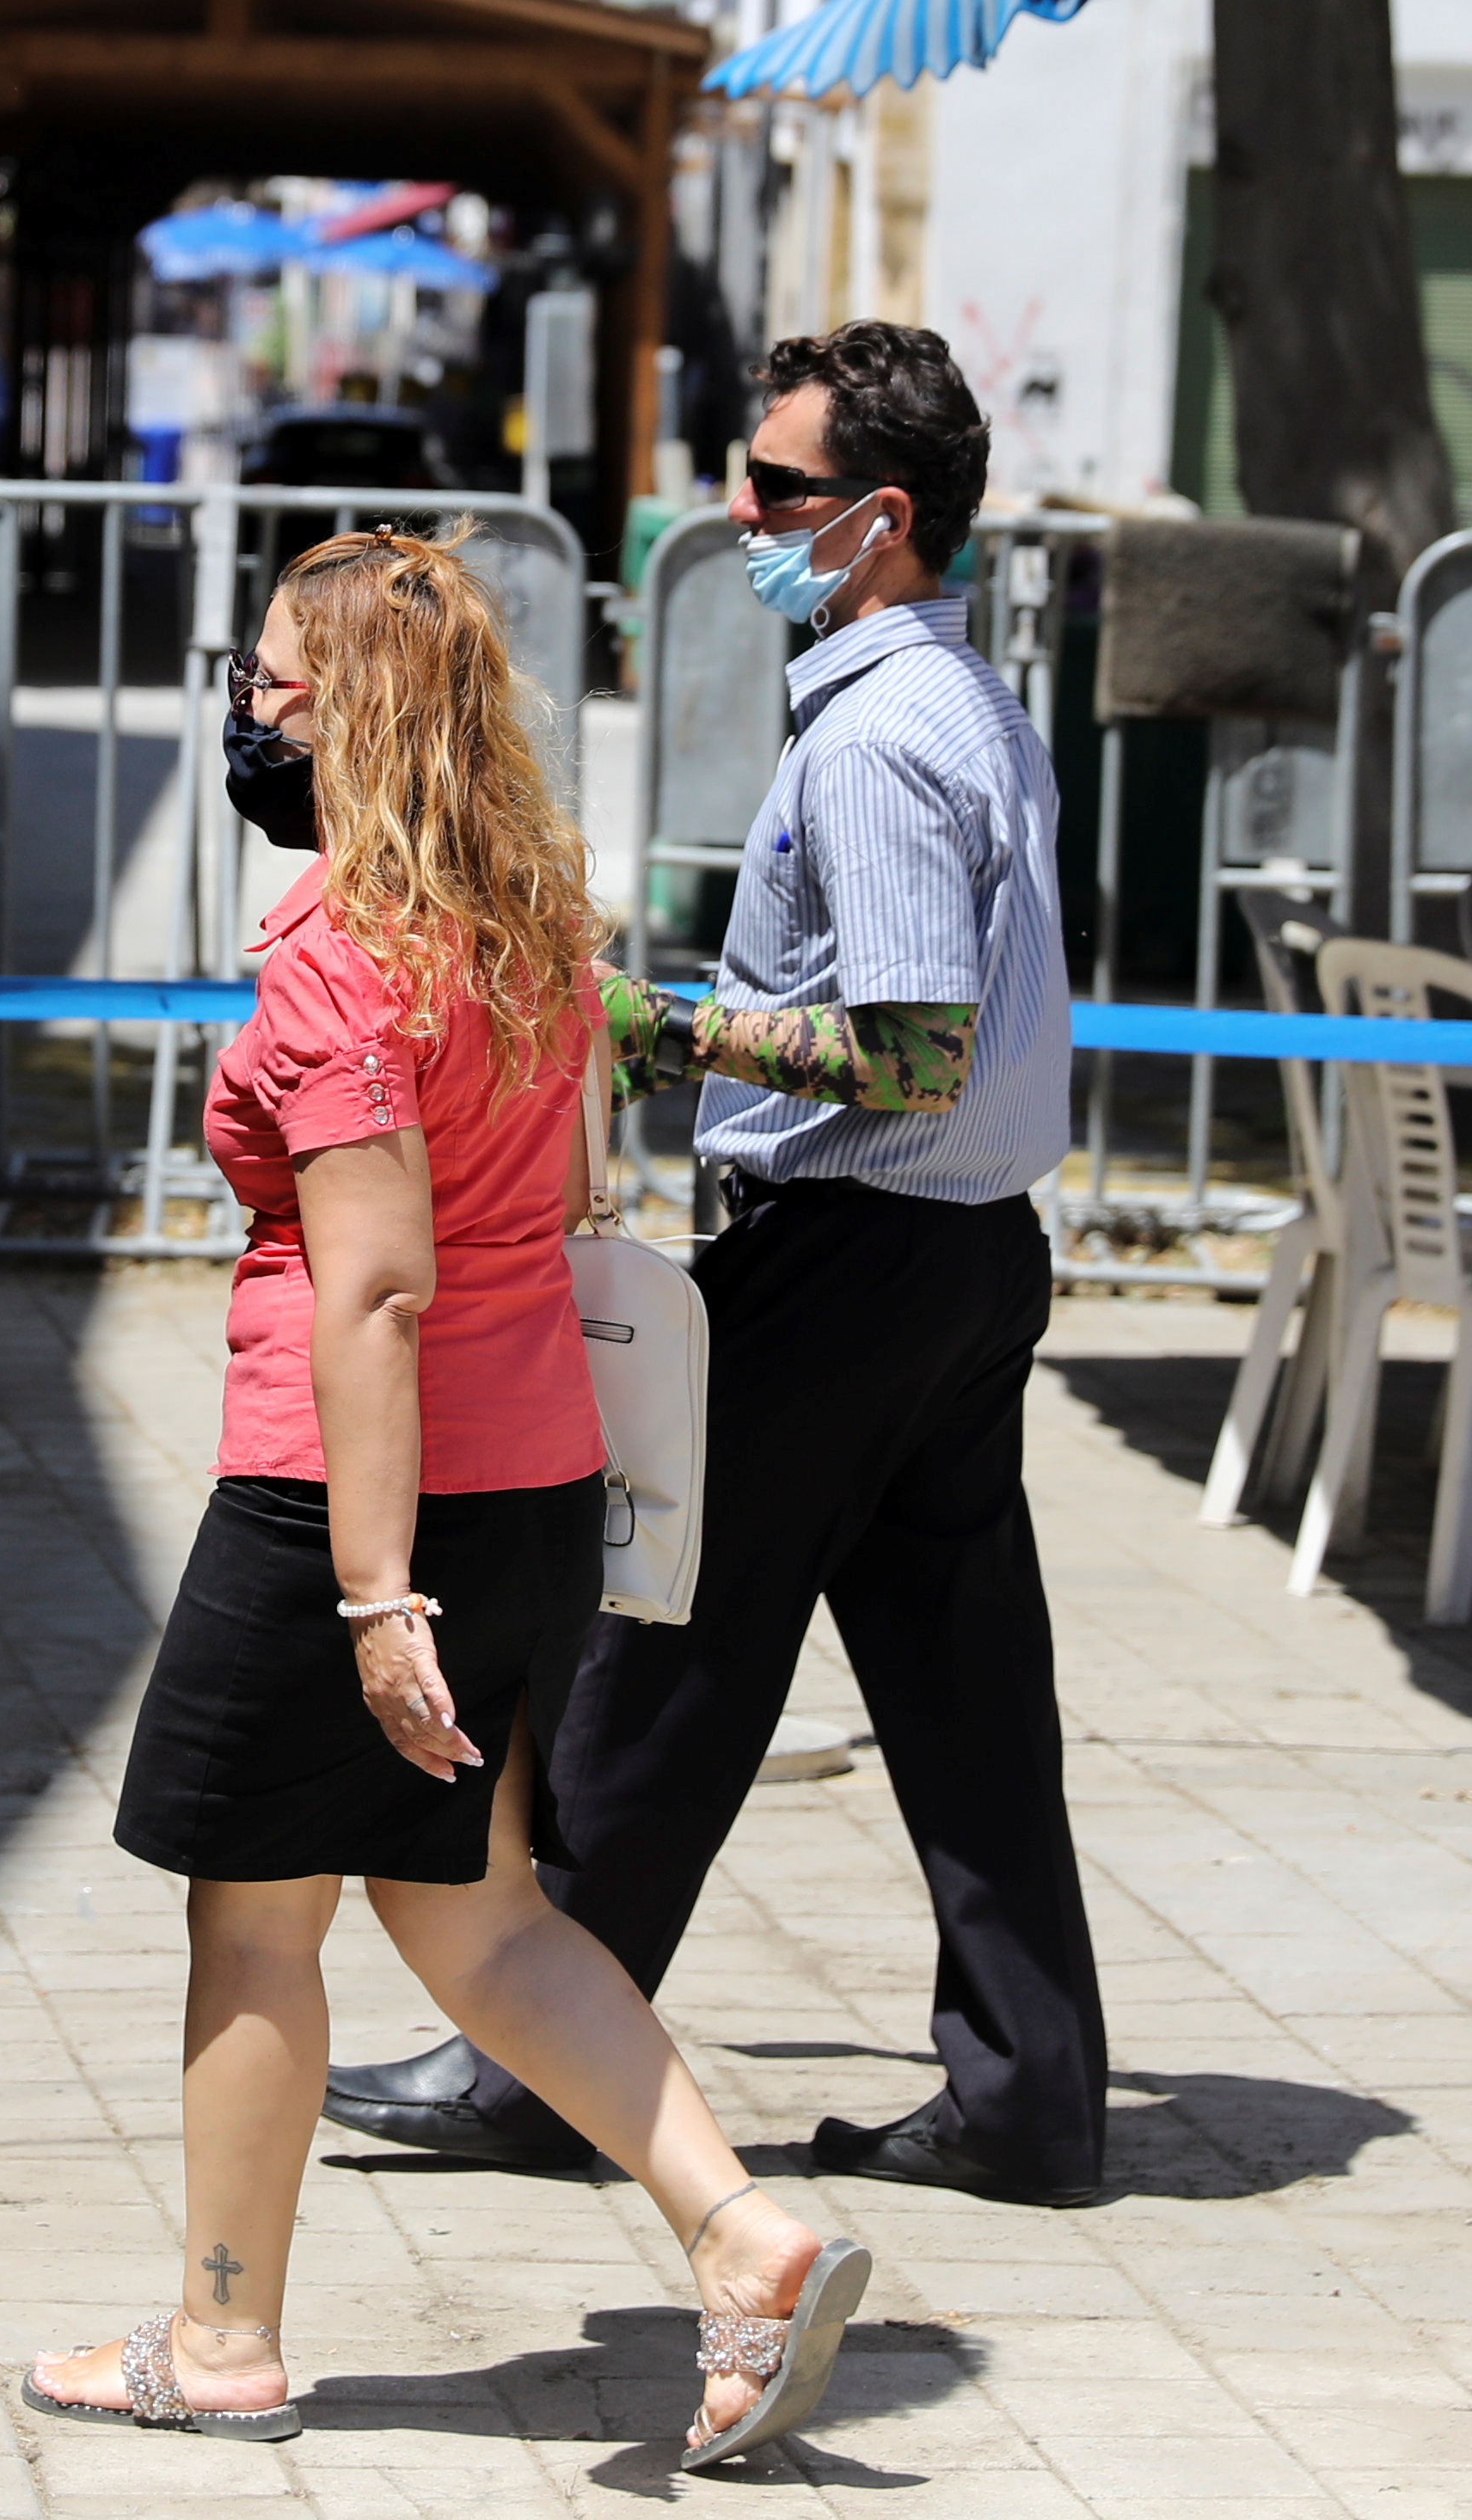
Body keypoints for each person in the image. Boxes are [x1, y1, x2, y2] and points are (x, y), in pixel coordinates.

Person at [23, 525, 874, 2465]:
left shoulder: (341, 967)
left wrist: (369, 1593)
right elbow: (555, 1204)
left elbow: (379, 1288)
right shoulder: (534, 926)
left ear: (349, 715)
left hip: (351, 1504)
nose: (245, 710)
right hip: (534, 1476)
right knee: (478, 1919)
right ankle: (742, 2236)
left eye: (267, 683)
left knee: (254, 1927)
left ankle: (216, 2344)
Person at [326, 322, 1112, 2205]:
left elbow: (908, 1050)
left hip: (853, 1253)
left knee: (654, 1657)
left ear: (882, 522)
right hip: (964, 1257)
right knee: (963, 1684)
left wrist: (658, 1025)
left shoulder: (885, 739)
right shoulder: (967, 705)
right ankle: (1027, 2093)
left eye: (772, 489)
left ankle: (539, 2067)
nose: (731, 511)